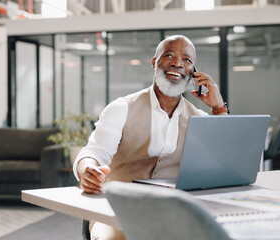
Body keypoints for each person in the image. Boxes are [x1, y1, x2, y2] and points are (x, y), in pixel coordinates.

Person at [73, 35, 228, 240]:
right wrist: (87, 170)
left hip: (172, 211)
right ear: (155, 63)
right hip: (118, 209)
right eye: (169, 55)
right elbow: (94, 153)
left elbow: (225, 162)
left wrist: (218, 108)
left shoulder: (198, 119)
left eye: (187, 60)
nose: (177, 63)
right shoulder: (121, 108)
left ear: (193, 73)